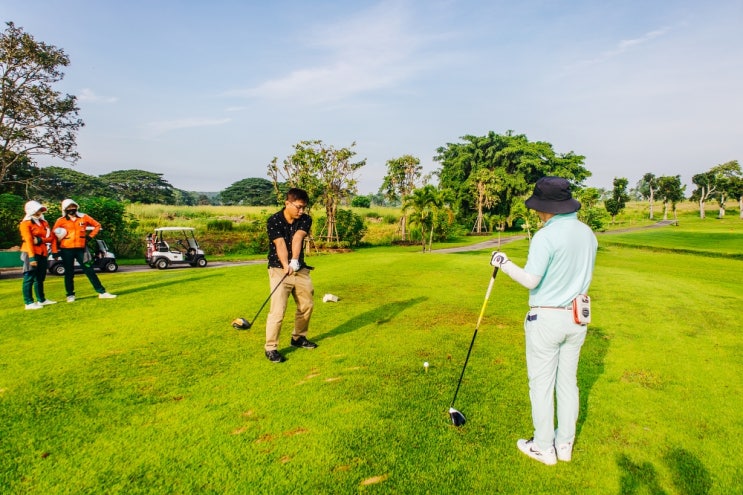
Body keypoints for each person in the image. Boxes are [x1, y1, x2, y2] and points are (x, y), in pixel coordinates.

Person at [490, 176, 597, 466]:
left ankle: (543, 447)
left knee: (541, 384)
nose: (537, 213)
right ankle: (565, 445)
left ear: (547, 207)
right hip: (577, 318)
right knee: (567, 384)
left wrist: (504, 263)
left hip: (546, 318)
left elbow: (531, 280)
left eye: (538, 208)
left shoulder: (545, 236)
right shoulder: (588, 233)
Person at [264, 188, 317, 363]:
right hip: (279, 269)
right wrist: (286, 265)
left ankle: (298, 338)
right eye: (299, 207)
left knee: (306, 305)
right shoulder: (274, 220)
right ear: (287, 203)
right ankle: (271, 348)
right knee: (278, 311)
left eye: (304, 208)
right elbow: (279, 244)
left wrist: (294, 262)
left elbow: (297, 238)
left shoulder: (305, 219)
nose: (301, 211)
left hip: (299, 269)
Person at [52, 199, 116, 302]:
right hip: (66, 250)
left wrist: (90, 237)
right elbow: (53, 236)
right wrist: (54, 251)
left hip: (81, 249)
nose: (72, 209)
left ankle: (101, 292)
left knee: (89, 269)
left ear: (76, 207)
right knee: (69, 272)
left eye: (73, 207)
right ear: (65, 209)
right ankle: (70, 295)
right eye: (69, 207)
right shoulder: (60, 220)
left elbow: (97, 225)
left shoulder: (83, 217)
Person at [19, 201, 57, 310]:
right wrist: (31, 258)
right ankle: (28, 302)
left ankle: (42, 300)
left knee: (40, 278)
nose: (38, 212)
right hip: (30, 252)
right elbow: (29, 240)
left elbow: (51, 237)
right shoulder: (25, 223)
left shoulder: (44, 223)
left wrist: (40, 240)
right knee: (29, 277)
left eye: (40, 210)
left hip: (43, 252)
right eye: (36, 210)